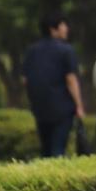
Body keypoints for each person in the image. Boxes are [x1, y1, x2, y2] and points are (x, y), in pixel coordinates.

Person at [22, 12, 84, 157]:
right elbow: (71, 80)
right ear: (53, 29)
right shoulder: (66, 50)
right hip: (62, 107)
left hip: (39, 107)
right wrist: (79, 105)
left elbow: (25, 80)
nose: (66, 28)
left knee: (45, 149)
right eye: (63, 25)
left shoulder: (32, 50)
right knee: (58, 149)